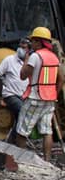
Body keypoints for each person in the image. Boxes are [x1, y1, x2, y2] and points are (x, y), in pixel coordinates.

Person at [14, 26, 62, 162]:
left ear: (39, 42)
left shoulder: (35, 56)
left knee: (22, 130)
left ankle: (20, 160)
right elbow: (61, 78)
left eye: (33, 41)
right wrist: (54, 94)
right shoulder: (54, 57)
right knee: (47, 130)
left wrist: (26, 58)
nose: (31, 43)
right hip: (50, 99)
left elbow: (23, 75)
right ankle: (47, 160)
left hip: (35, 98)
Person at [0, 37, 30, 141]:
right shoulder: (9, 60)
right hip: (11, 94)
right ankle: (15, 139)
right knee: (23, 112)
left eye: (24, 47)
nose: (20, 49)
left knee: (20, 118)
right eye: (20, 47)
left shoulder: (31, 62)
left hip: (25, 96)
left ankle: (13, 140)